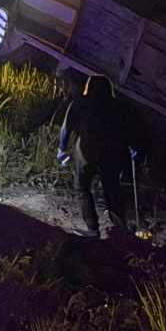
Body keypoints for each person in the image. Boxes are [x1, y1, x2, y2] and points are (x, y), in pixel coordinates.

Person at [60, 72, 133, 236]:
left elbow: (66, 129)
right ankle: (120, 229)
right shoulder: (118, 106)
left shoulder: (79, 103)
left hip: (86, 152)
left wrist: (62, 149)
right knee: (112, 189)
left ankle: (92, 229)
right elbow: (128, 131)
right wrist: (133, 149)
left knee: (82, 188)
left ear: (88, 88)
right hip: (110, 153)